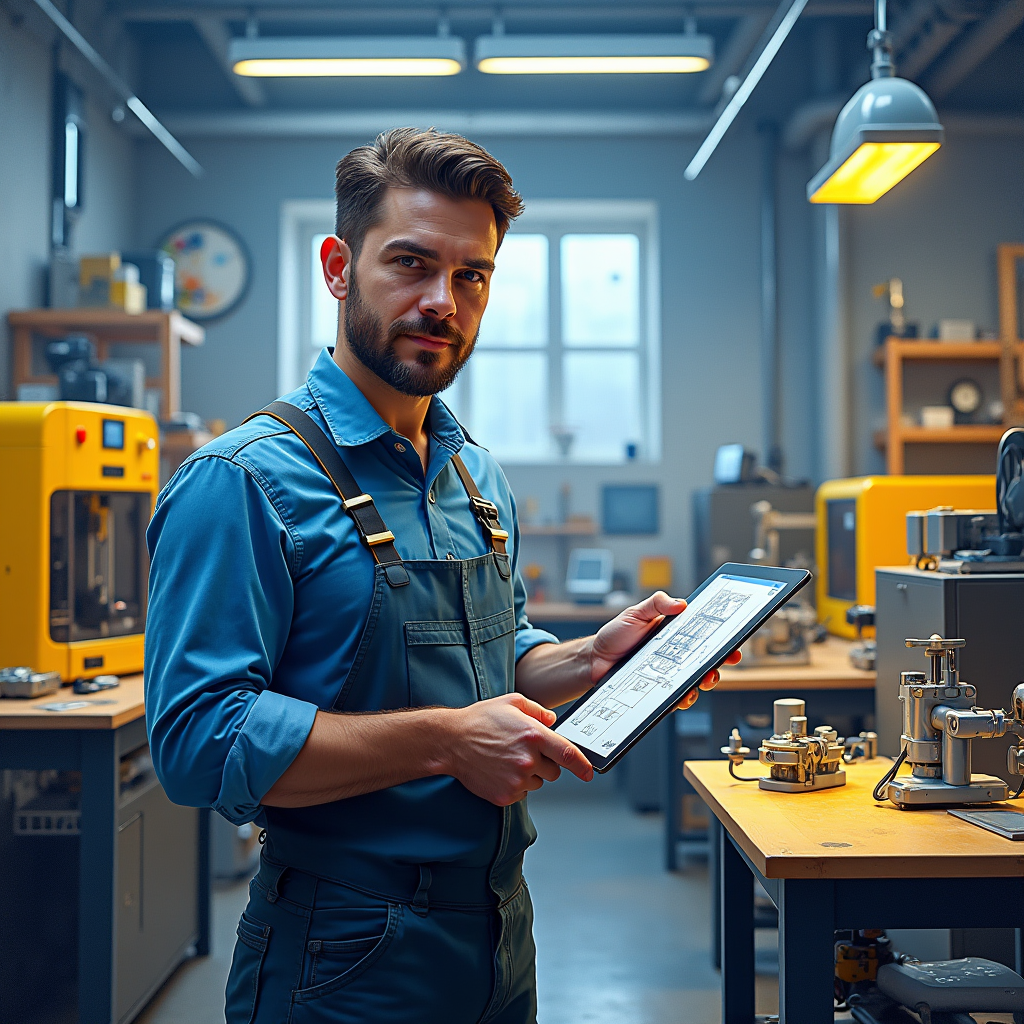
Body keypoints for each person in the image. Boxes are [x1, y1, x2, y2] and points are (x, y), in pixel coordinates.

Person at [144, 127, 738, 1024]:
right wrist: (446, 741)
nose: (443, 302)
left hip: (501, 930)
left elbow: (493, 650)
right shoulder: (243, 482)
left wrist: (584, 661)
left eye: (473, 276)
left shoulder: (474, 475)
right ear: (338, 267)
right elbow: (197, 741)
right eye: (412, 264)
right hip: (340, 950)